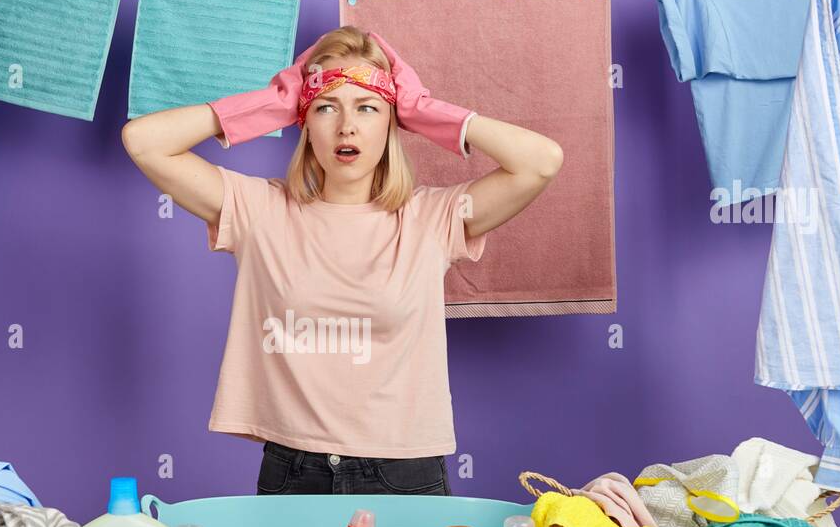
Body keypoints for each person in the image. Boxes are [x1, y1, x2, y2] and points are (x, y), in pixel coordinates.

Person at [122, 27, 562, 495]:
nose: (346, 126)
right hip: (294, 468)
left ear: (391, 124)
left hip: (404, 472)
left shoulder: (431, 218)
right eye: (327, 107)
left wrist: (424, 110)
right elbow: (143, 140)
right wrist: (271, 104)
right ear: (304, 122)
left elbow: (541, 160)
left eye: (367, 108)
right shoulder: (259, 210)